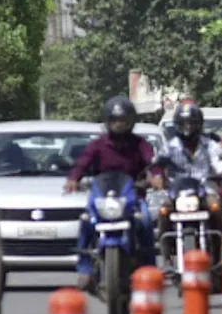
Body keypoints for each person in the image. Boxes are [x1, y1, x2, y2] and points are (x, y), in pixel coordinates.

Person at [64, 96, 162, 293]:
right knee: (86, 222)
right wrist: (73, 179)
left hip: (131, 195)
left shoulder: (139, 144)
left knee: (144, 222)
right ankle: (85, 268)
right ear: (107, 121)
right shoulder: (97, 145)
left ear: (131, 122)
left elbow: (153, 162)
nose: (119, 125)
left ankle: (149, 269)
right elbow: (83, 163)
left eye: (123, 121)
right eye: (115, 120)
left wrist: (156, 176)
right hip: (102, 197)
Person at [155, 101, 222, 261]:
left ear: (199, 124)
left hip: (205, 187)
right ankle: (167, 256)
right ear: (177, 125)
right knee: (163, 211)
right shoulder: (170, 146)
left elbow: (218, 162)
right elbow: (156, 164)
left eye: (191, 123)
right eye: (183, 123)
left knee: (215, 207)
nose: (187, 128)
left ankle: (218, 250)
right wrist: (156, 176)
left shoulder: (209, 144)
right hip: (178, 191)